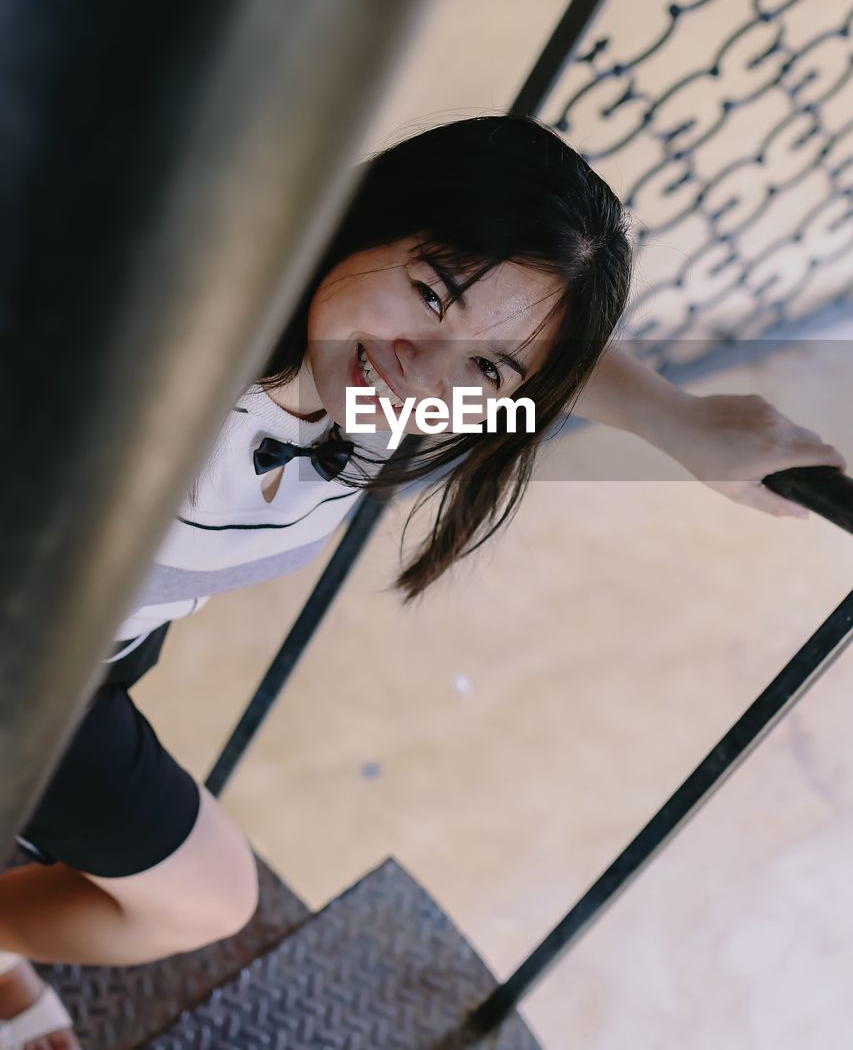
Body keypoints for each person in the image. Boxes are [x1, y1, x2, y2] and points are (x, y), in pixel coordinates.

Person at [0, 115, 845, 1049]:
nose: (426, 376)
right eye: (428, 292)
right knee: (189, 896)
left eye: (485, 368)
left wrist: (678, 423)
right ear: (352, 218)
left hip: (98, 658)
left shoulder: (369, 381)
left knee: (199, 900)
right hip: (24, 666)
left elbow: (528, 344)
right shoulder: (159, 363)